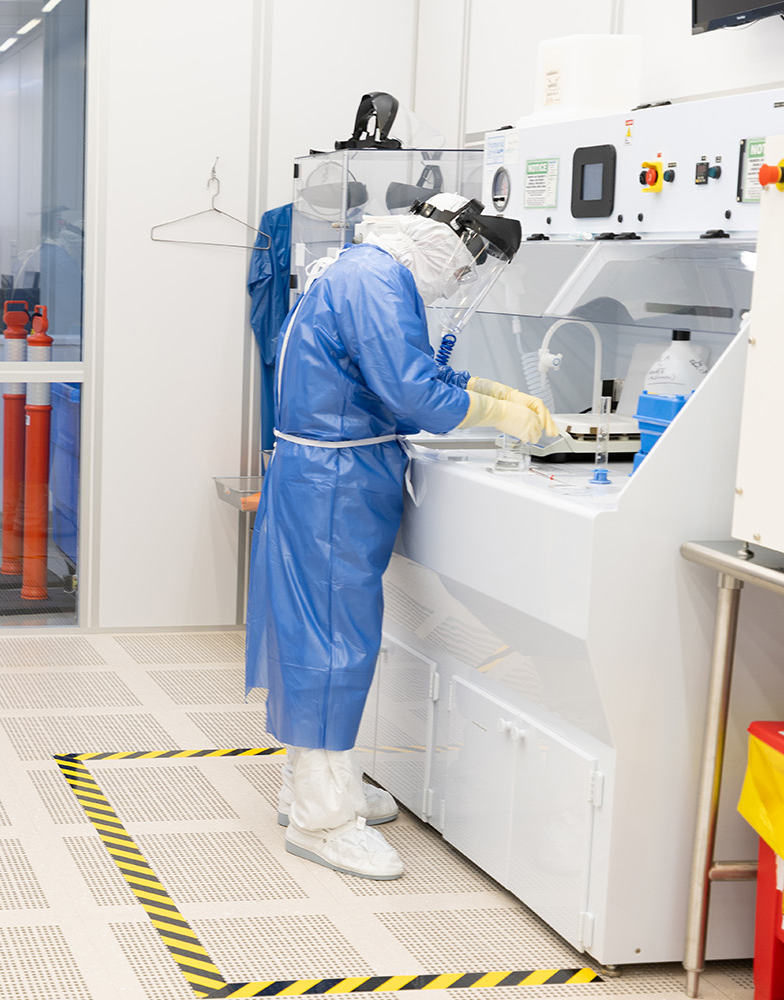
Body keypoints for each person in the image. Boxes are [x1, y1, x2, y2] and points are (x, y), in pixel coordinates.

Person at [245, 194, 549, 881]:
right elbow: (412, 395)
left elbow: (398, 369)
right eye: (466, 269)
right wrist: (497, 412)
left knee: (321, 637)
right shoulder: (376, 282)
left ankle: (313, 785)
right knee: (333, 645)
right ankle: (325, 822)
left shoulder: (363, 270)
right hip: (334, 483)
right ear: (443, 244)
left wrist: (480, 386)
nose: (461, 283)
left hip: (327, 475)